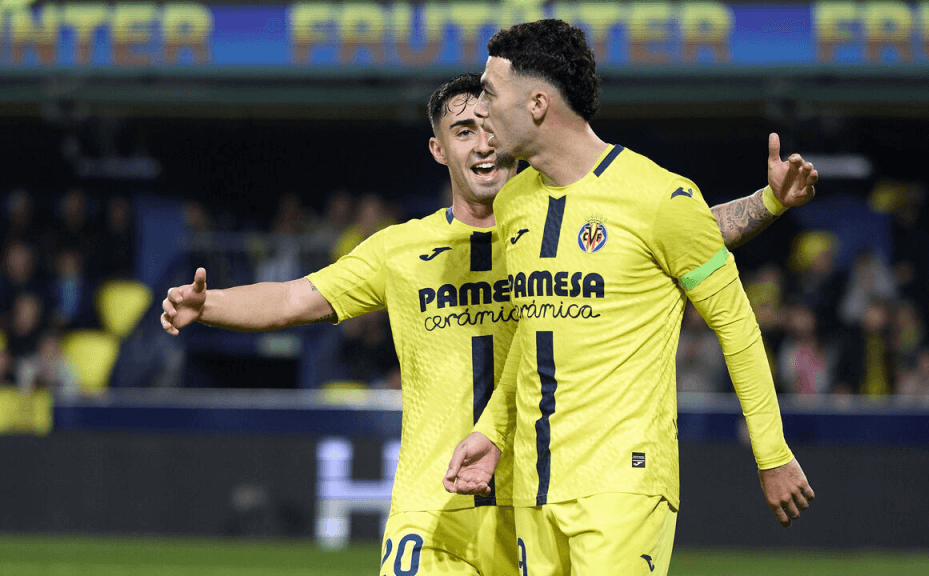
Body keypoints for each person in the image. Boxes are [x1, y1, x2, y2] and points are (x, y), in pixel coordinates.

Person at [162, 72, 814, 575]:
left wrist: (767, 204)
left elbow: (674, 234)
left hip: (533, 499)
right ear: (438, 149)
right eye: (462, 130)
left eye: (487, 125)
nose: (481, 142)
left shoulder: (545, 226)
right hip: (433, 504)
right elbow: (293, 300)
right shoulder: (401, 250)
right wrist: (207, 304)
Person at [443, 20, 815, 576]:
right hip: (533, 487)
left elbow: (737, 327)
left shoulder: (660, 197)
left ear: (538, 103)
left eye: (491, 95)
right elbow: (534, 331)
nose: (481, 111)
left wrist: (771, 452)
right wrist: (493, 432)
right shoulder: (515, 202)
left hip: (624, 484)